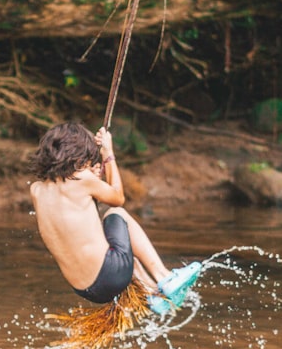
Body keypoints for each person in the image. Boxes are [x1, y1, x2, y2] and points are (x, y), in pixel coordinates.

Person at [29, 122, 200, 314]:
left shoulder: (36, 190)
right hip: (108, 276)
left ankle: (151, 294)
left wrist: (92, 181)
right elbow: (117, 199)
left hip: (85, 289)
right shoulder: (82, 181)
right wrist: (108, 154)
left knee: (117, 245)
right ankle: (164, 277)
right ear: (76, 154)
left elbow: (72, 219)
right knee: (116, 214)